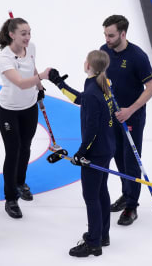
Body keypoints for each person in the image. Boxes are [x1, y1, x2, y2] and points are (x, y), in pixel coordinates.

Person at [48, 50, 115, 257]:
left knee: (91, 197)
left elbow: (92, 128)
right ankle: (103, 234)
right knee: (101, 190)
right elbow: (80, 99)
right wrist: (59, 83)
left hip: (96, 151)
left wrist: (81, 153)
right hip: (107, 147)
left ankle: (94, 242)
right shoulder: (101, 85)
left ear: (88, 65)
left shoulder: (94, 92)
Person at [100, 15, 152, 225]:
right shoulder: (104, 50)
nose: (107, 38)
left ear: (123, 34)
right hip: (112, 115)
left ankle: (132, 206)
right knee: (118, 156)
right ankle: (127, 192)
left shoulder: (137, 57)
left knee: (131, 160)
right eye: (105, 34)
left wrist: (130, 110)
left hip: (132, 116)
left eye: (111, 35)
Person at [0, 17, 50, 219]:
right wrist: (42, 77)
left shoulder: (31, 48)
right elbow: (19, 82)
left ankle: (20, 182)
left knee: (25, 147)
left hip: (29, 107)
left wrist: (39, 87)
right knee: (13, 152)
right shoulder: (4, 58)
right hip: (9, 110)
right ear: (12, 35)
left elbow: (32, 68)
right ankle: (10, 198)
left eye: (29, 33)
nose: (28, 37)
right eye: (23, 33)